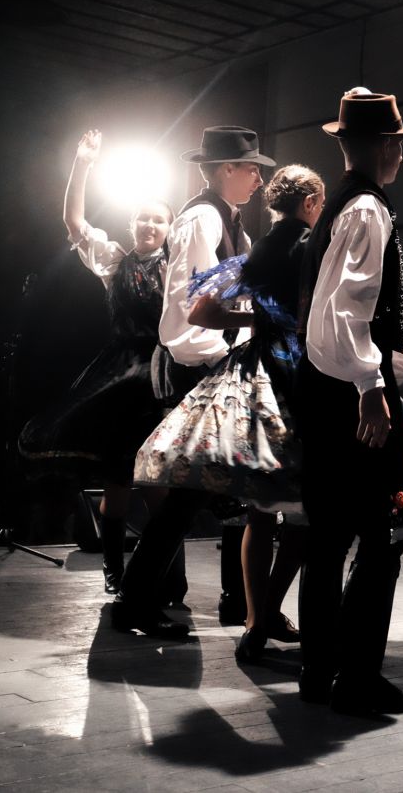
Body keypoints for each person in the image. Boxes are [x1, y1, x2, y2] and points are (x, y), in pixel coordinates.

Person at [135, 164, 325, 661]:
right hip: (297, 372)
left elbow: (200, 311)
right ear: (310, 204)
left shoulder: (255, 253)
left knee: (259, 510)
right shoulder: (312, 248)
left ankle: (255, 623)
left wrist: (257, 318)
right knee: (302, 510)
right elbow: (322, 316)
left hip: (252, 369)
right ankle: (270, 611)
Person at [295, 89, 403, 715]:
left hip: (330, 392)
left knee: (328, 539)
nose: (401, 155)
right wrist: (372, 387)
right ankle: (356, 678)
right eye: (398, 144)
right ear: (384, 146)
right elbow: (347, 312)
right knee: (384, 535)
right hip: (351, 400)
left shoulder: (341, 205)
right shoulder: (368, 210)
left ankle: (319, 671)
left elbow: (348, 319)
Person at [111, 125, 271, 639]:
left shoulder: (227, 220)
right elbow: (191, 307)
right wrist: (226, 353)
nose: (258, 180)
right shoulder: (203, 218)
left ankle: (222, 601)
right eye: (252, 169)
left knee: (212, 494)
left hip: (215, 363)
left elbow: (225, 294)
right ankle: (138, 600)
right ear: (226, 169)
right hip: (199, 366)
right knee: (189, 495)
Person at [18, 130, 172, 595]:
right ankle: (113, 572)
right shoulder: (114, 261)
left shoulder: (178, 267)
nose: (149, 225)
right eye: (143, 218)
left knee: (160, 486)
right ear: (131, 223)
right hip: (119, 377)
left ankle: (167, 579)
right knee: (118, 482)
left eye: (158, 220)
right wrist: (82, 163)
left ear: (170, 228)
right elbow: (74, 222)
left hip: (162, 375)